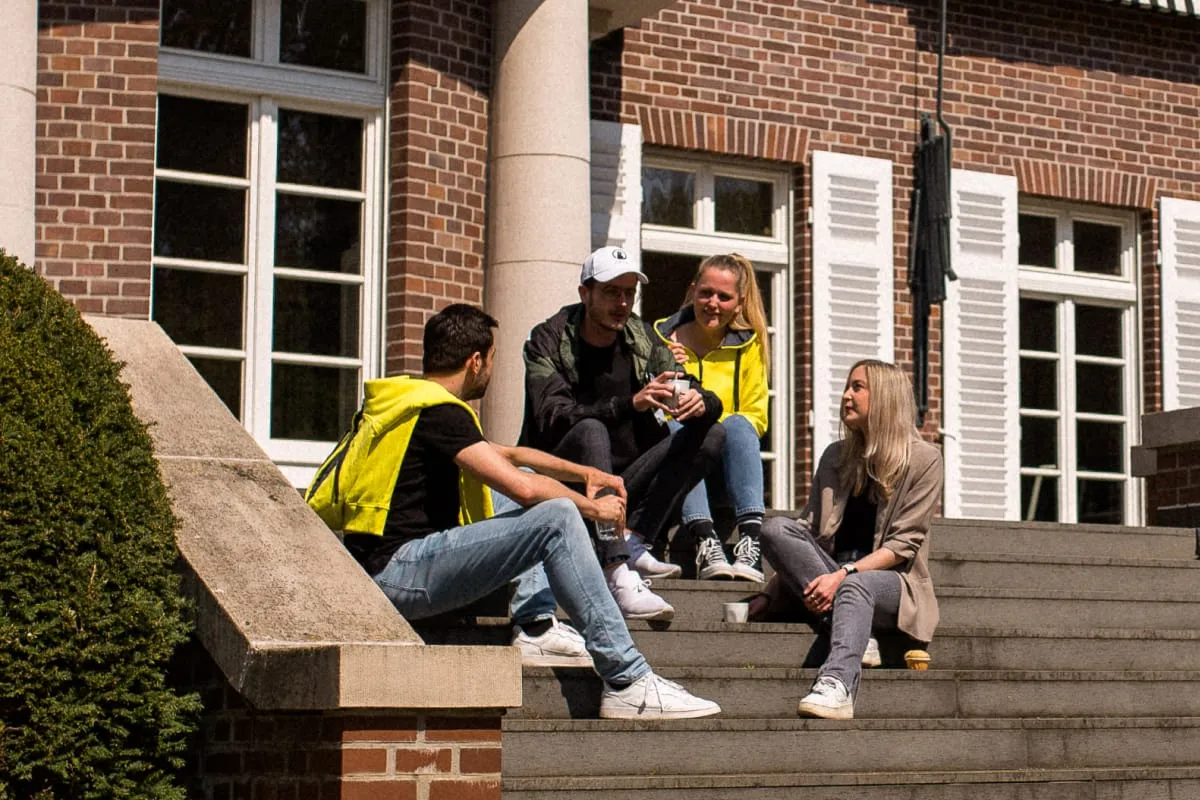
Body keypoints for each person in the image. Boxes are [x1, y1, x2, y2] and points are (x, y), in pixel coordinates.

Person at [306, 304, 721, 720]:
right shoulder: (440, 412)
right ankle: (627, 679)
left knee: (524, 486)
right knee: (555, 514)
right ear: (475, 361)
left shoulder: (412, 403)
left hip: (392, 566)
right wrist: (593, 507)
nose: (490, 369)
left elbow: (508, 455)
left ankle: (536, 626)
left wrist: (586, 472)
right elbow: (522, 489)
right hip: (399, 574)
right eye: (491, 359)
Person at [520, 246, 727, 621]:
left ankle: (635, 538)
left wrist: (701, 401)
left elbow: (694, 388)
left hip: (624, 483)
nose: (622, 303)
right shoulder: (547, 340)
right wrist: (630, 404)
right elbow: (552, 416)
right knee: (591, 430)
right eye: (612, 292)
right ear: (586, 294)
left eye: (629, 293)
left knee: (713, 434)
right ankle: (615, 570)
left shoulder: (641, 337)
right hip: (563, 482)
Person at [754, 360, 942, 720]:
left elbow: (903, 546)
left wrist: (845, 574)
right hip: (826, 577)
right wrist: (770, 592)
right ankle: (855, 630)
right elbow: (807, 532)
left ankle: (837, 685)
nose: (846, 396)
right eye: (847, 386)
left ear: (884, 398)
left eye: (858, 387)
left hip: (894, 585)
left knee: (856, 587)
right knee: (775, 528)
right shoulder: (835, 457)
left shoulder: (925, 460)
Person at [655, 253, 770, 582]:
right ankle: (706, 539)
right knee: (676, 428)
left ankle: (750, 540)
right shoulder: (661, 337)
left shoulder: (749, 345)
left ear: (739, 302)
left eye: (724, 296)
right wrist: (666, 365)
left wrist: (713, 422)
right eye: (706, 293)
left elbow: (756, 415)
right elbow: (653, 414)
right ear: (693, 291)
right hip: (675, 469)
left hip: (726, 472)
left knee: (737, 423)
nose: (713, 303)